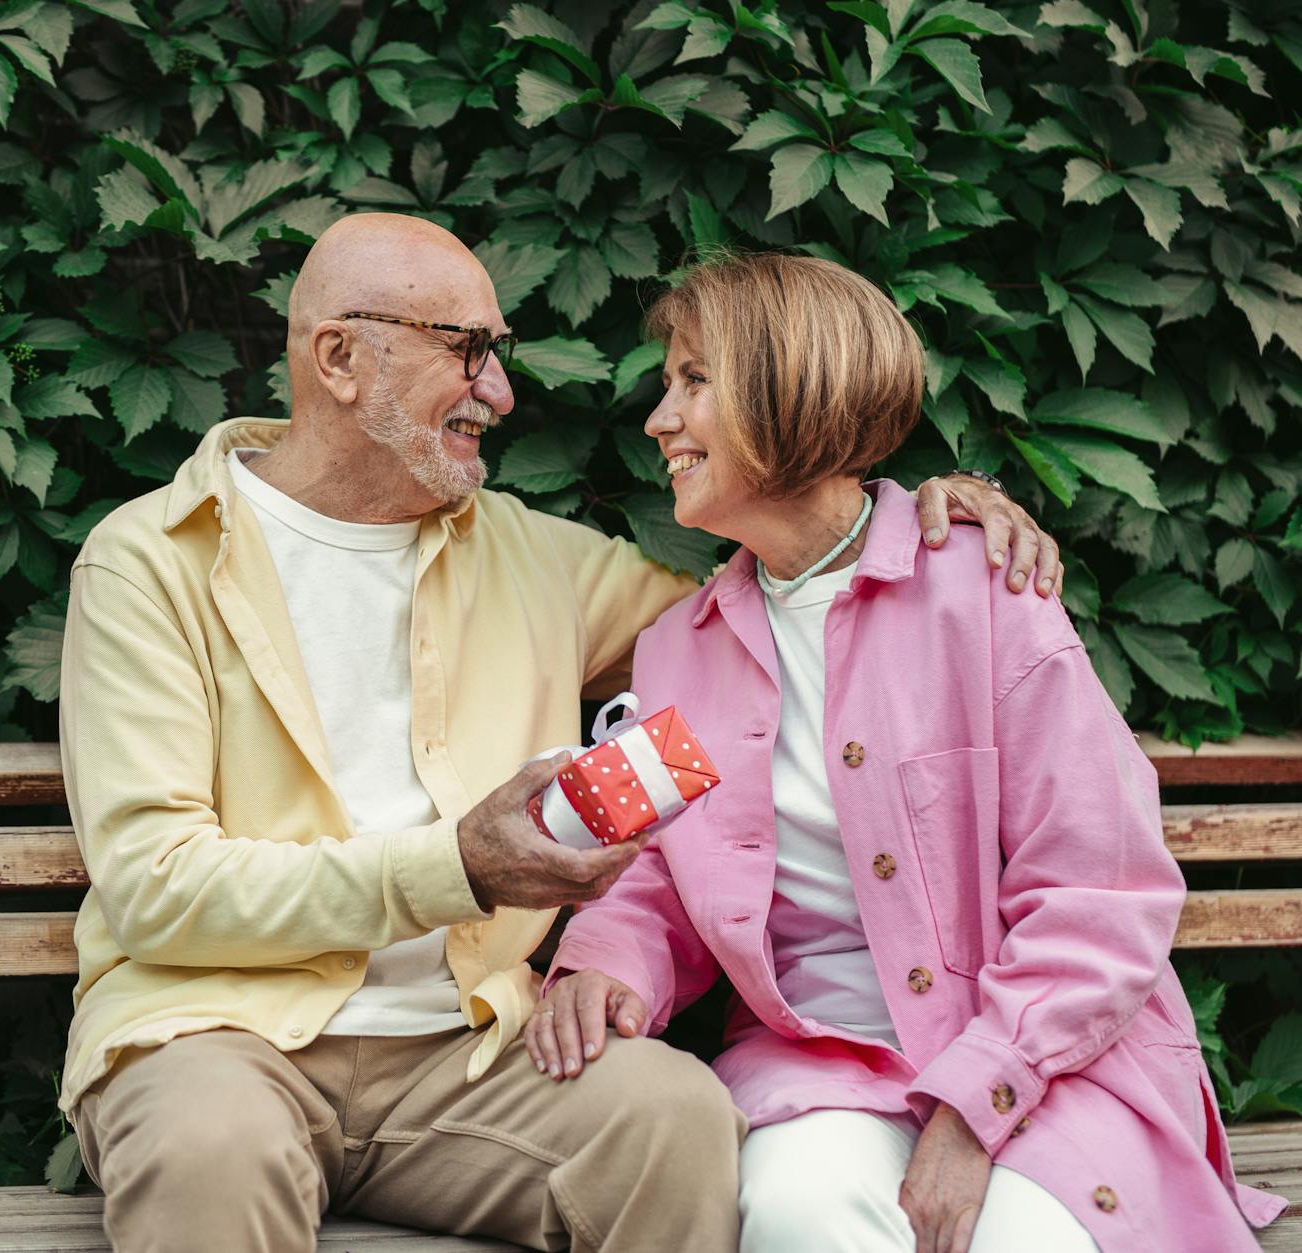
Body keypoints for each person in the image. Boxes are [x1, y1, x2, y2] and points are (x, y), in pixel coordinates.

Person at [58, 214, 1059, 1252]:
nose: (498, 391)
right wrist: (456, 866)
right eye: (467, 349)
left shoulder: (534, 557)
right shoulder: (148, 560)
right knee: (210, 1146)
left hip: (470, 1050)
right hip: (212, 1037)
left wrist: (920, 523)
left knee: (674, 1119)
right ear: (340, 358)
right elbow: (155, 886)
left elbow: (770, 595)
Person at [529, 252, 1286, 1253]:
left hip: (1044, 1056)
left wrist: (972, 1103)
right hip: (820, 1065)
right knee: (799, 1215)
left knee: (1019, 1239)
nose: (656, 419)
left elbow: (1099, 889)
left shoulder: (982, 586)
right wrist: (602, 960)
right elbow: (653, 876)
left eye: (692, 381)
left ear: (784, 388)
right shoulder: (676, 649)